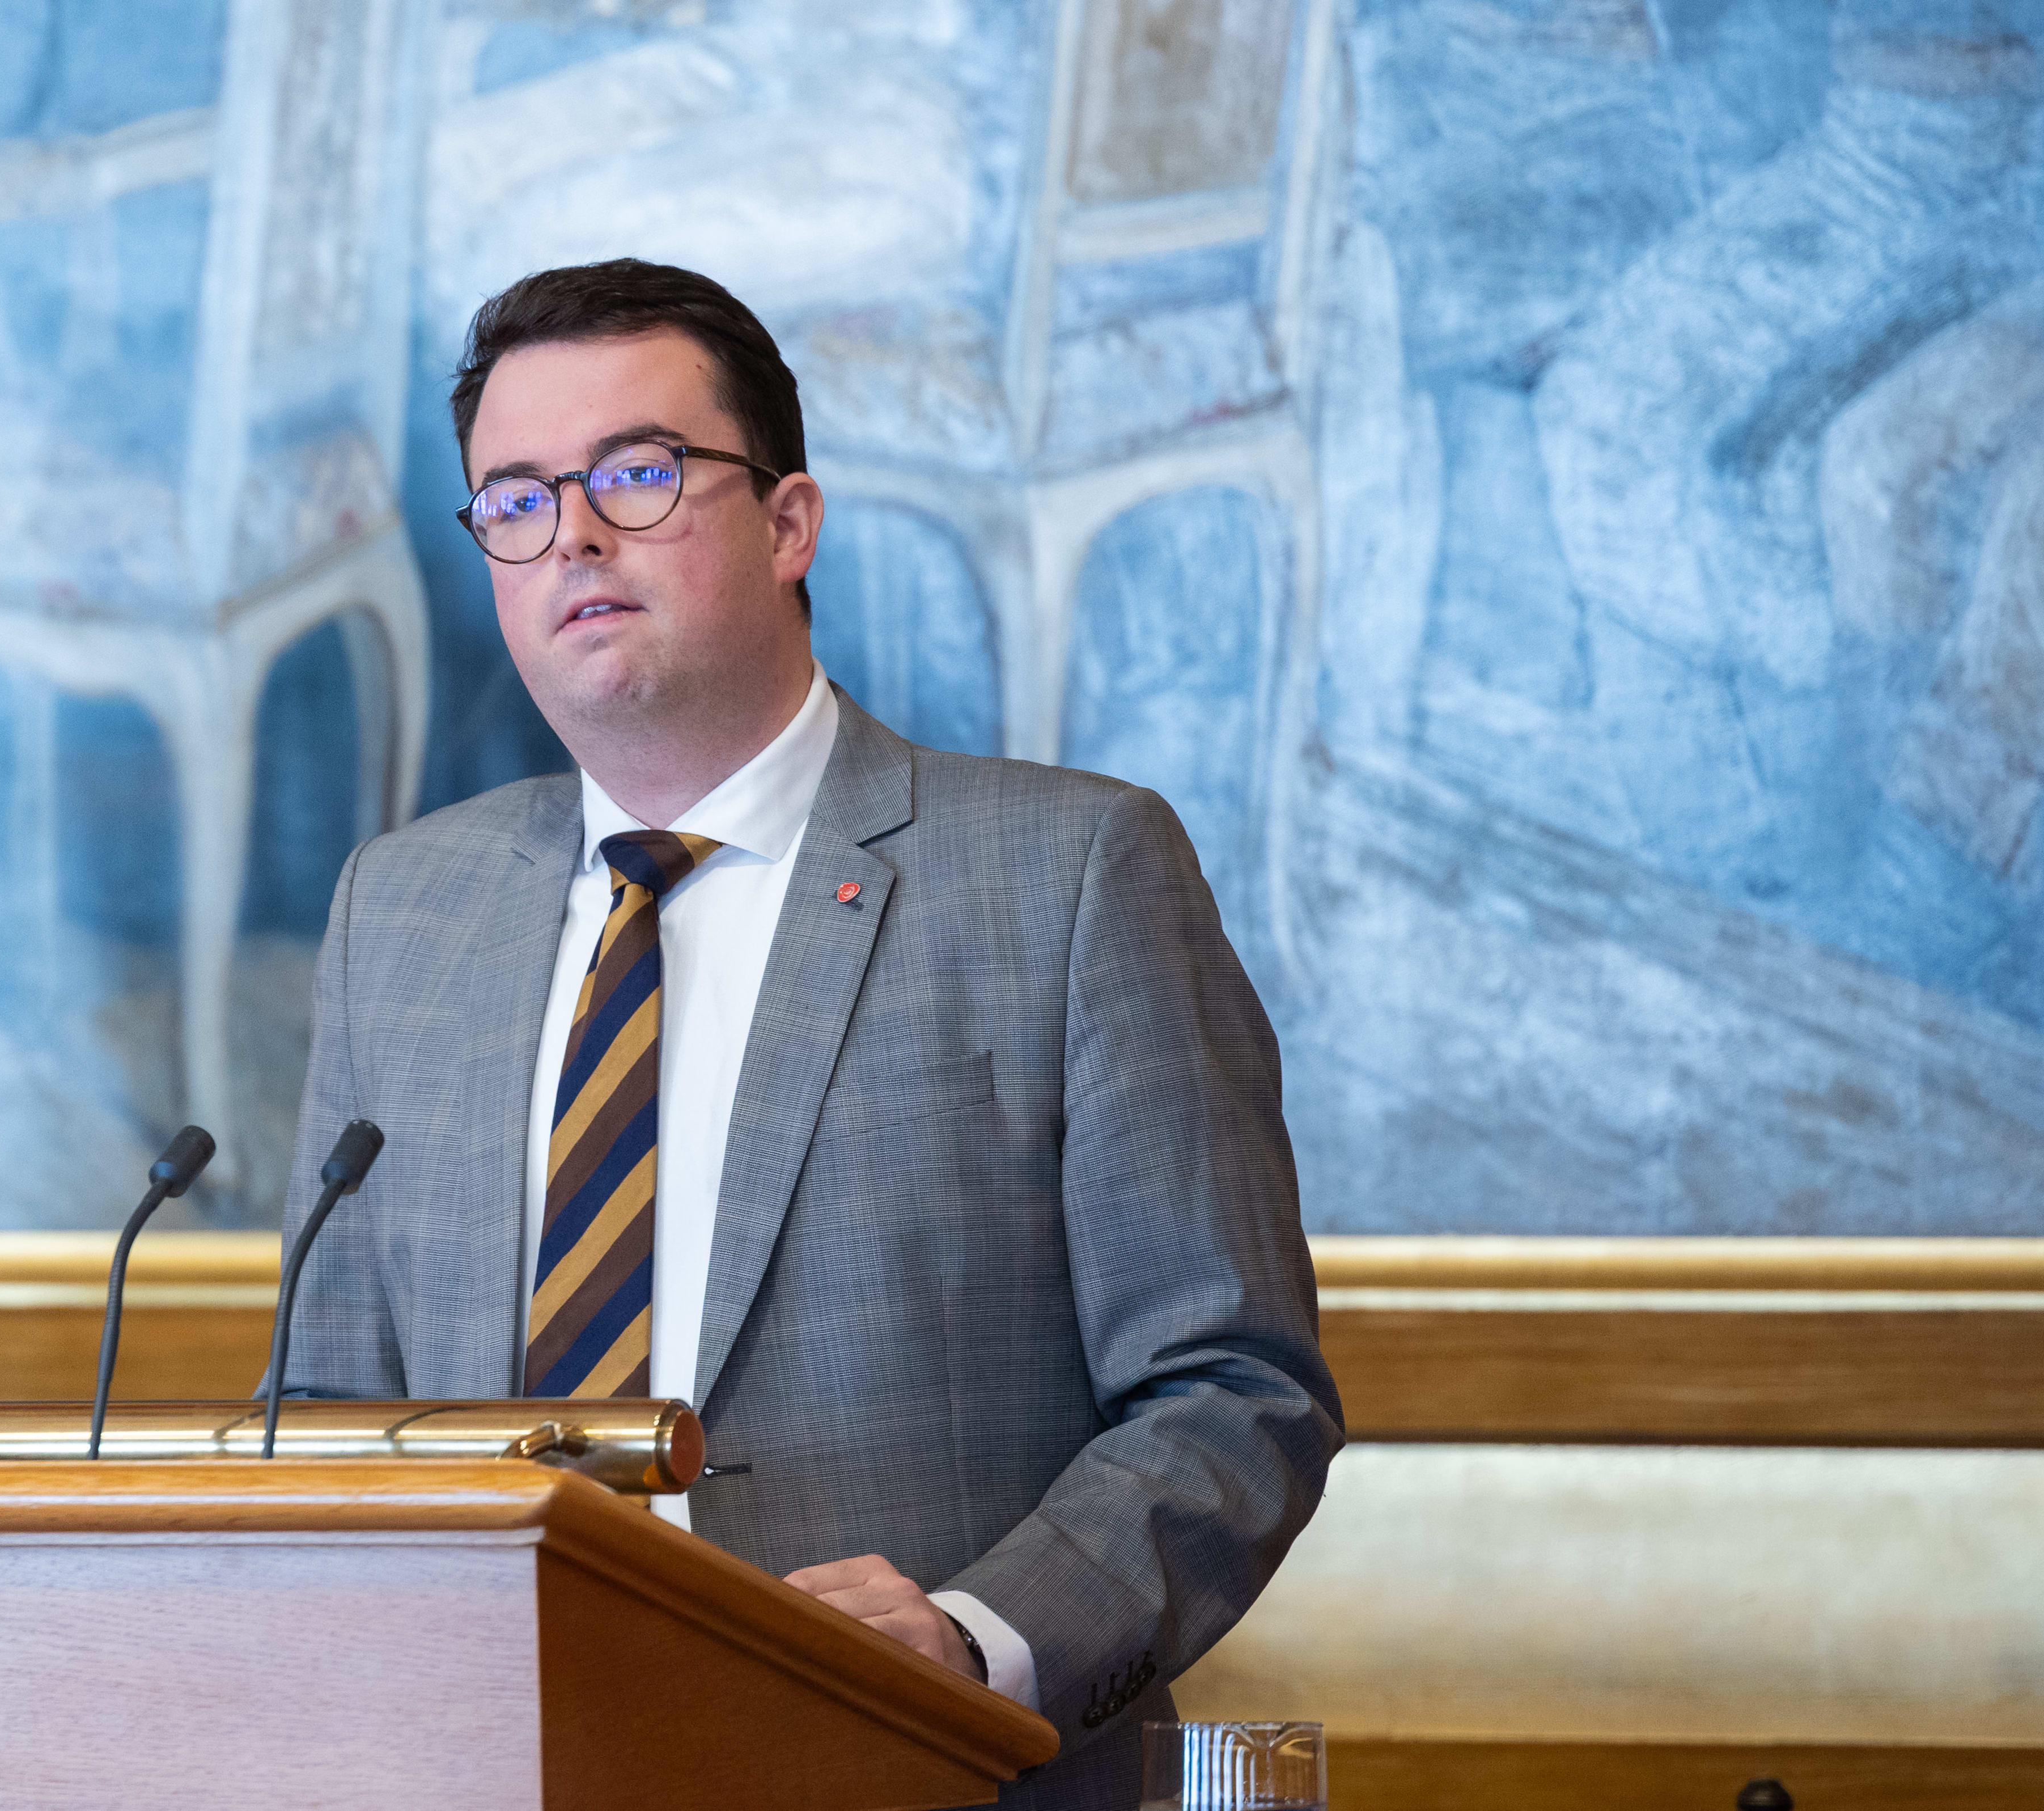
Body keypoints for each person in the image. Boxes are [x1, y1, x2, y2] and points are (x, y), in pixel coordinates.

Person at [282, 258, 1341, 1808]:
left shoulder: (1070, 873)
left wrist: (975, 1639)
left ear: (789, 524)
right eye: (515, 500)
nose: (572, 534)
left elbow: (1235, 1391)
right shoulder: (399, 909)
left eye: (636, 474)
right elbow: (324, 1418)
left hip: (911, 1769)